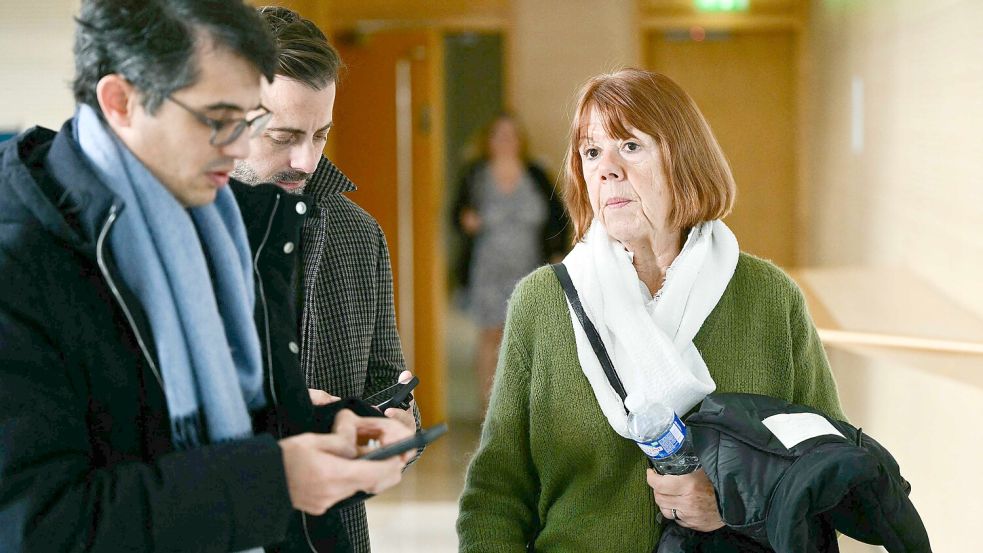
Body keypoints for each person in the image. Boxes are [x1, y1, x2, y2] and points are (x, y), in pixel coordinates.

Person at [0, 1, 413, 551]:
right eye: (219, 119)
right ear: (121, 102)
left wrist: (335, 428)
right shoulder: (19, 263)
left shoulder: (215, 220)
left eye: (247, 121)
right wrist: (275, 481)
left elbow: (218, 430)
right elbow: (38, 527)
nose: (239, 146)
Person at [456, 68, 845, 551]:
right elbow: (496, 494)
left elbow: (828, 470)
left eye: (631, 146)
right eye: (592, 152)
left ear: (684, 159)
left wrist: (740, 502)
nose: (607, 169)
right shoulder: (543, 302)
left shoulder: (769, 297)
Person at [231, 7, 420, 552]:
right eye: (283, 136)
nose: (307, 160)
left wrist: (397, 430)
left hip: (332, 537)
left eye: (321, 135)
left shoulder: (357, 234)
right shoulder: (173, 235)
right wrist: (284, 420)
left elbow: (388, 380)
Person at [451, 114, 567, 408]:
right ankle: (488, 410)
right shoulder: (476, 175)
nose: (505, 141)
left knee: (522, 337)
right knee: (490, 335)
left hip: (528, 268)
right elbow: (456, 215)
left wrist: (558, 253)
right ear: (488, 141)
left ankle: (521, 409)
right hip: (488, 269)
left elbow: (558, 217)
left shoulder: (535, 174)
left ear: (520, 141)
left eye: (511, 135)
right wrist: (467, 220)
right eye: (498, 135)